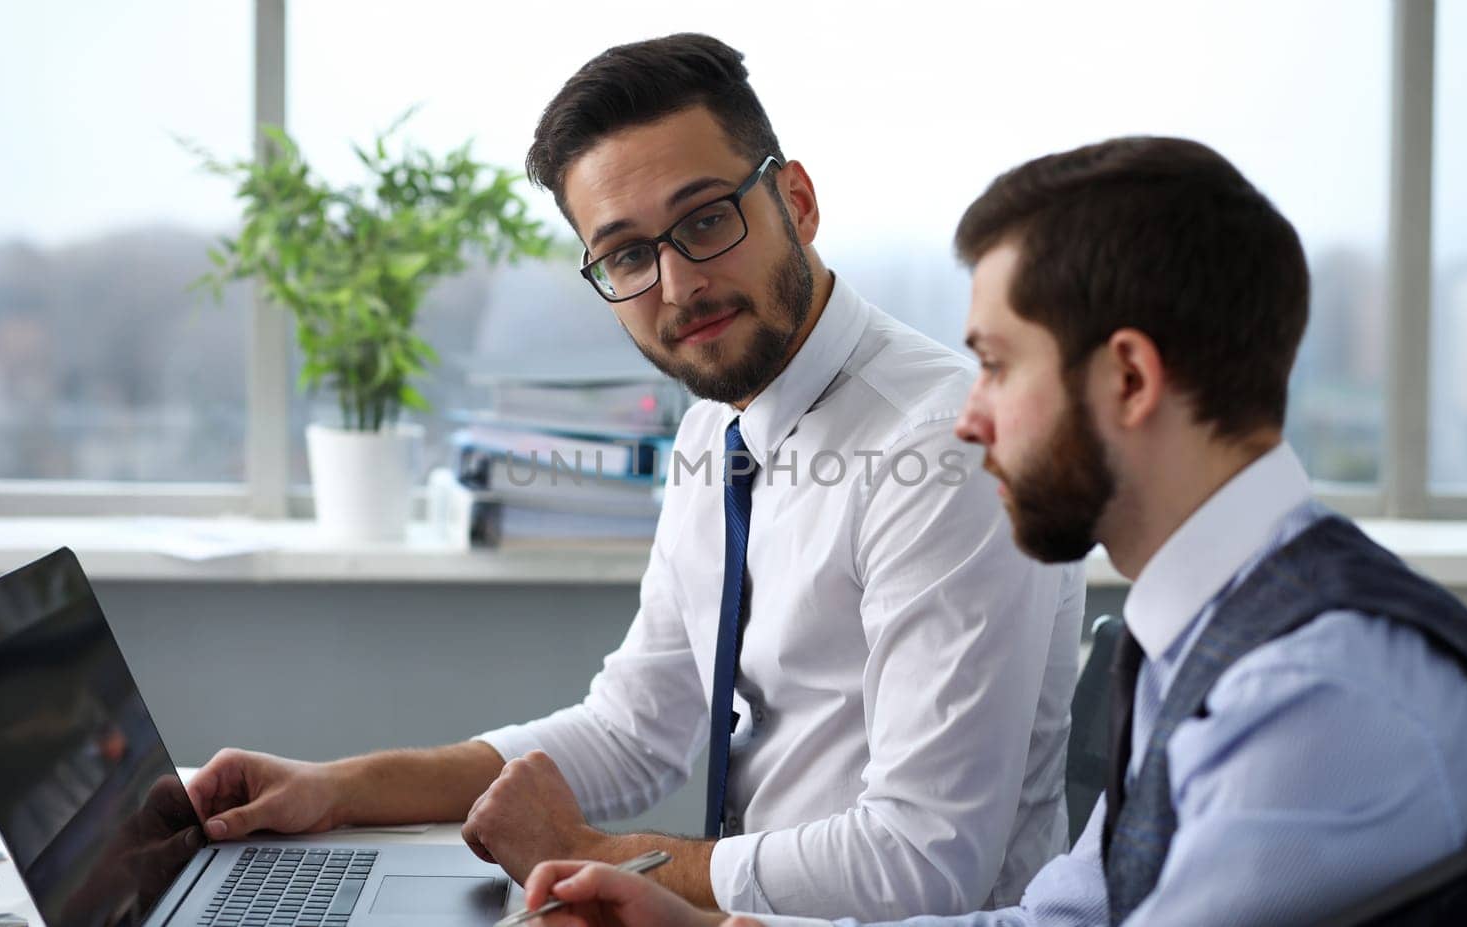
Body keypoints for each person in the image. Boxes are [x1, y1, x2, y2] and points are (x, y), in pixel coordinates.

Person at [511, 135, 1467, 927]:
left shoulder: (1313, 694)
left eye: (997, 364)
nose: (967, 415)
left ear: (1128, 378)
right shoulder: (1210, 633)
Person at [185, 34, 1085, 922]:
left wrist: (600, 858)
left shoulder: (944, 447)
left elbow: (925, 865)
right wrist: (337, 789)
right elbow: (633, 730)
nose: (678, 283)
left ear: (798, 203)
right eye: (626, 254)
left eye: (705, 221)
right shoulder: (715, 431)